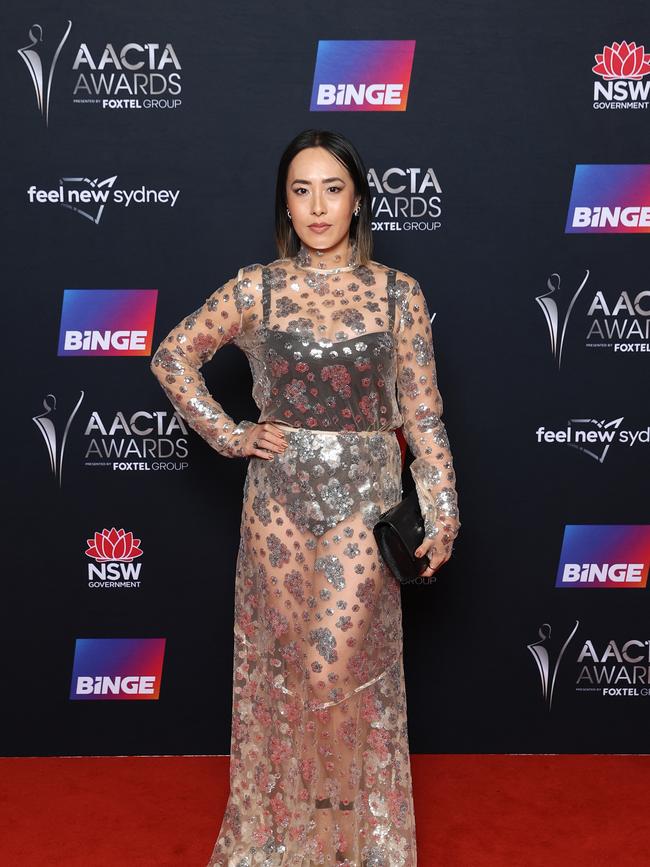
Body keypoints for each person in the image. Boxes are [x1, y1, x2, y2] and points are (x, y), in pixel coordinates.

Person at [150, 128, 461, 867]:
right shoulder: (258, 287)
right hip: (278, 504)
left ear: (356, 200)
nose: (317, 206)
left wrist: (442, 508)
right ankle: (296, 839)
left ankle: (343, 842)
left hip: (366, 502)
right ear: (286, 206)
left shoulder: (398, 294)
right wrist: (232, 434)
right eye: (301, 189)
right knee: (292, 673)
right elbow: (173, 356)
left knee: (334, 668)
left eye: (332, 188)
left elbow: (421, 414)